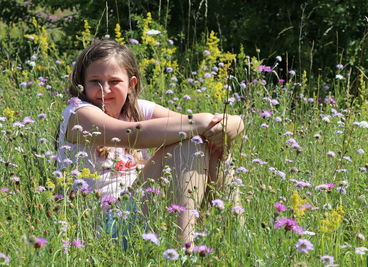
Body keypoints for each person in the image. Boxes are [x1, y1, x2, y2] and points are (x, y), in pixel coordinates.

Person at [56, 39, 244, 246]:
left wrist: (233, 123)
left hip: (141, 211)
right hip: (101, 226)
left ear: (131, 84)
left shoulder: (138, 109)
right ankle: (184, 250)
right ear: (82, 84)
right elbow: (132, 134)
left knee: (207, 143)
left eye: (114, 82)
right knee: (189, 143)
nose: (104, 90)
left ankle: (234, 241)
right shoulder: (78, 113)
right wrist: (203, 122)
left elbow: (202, 129)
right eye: (95, 82)